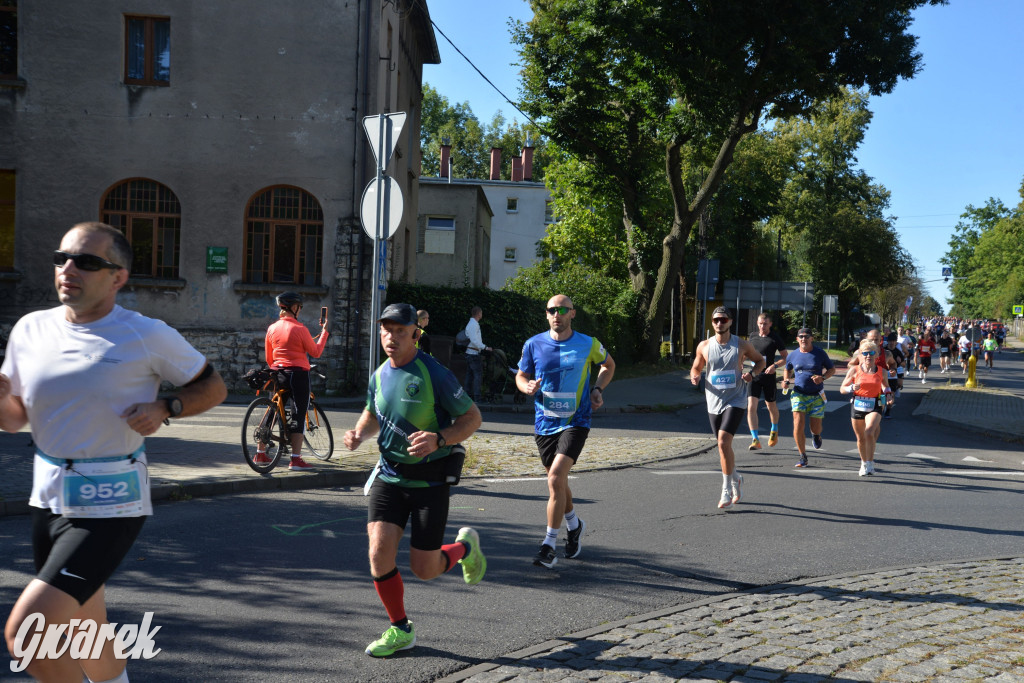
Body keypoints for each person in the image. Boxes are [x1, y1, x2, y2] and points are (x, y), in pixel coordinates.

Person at [1, 222, 227, 682]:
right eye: (61, 258)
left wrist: (168, 405)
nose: (68, 269)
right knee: (87, 625)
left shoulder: (145, 333)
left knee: (28, 634)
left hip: (112, 499)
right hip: (48, 498)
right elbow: (13, 418)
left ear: (117, 276)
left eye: (85, 262)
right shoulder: (30, 329)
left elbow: (213, 385)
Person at [343, 303, 486, 658]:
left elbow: (472, 417)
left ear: (415, 335)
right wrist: (360, 433)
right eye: (386, 330)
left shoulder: (433, 373)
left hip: (430, 483)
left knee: (425, 569)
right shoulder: (379, 375)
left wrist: (439, 438)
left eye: (400, 331)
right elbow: (373, 411)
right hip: (390, 476)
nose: (392, 337)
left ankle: (466, 549)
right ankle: (400, 628)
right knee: (378, 551)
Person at [516, 294, 615, 567]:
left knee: (555, 478)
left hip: (576, 420)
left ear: (572, 314)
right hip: (544, 423)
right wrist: (525, 386)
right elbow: (521, 374)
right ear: (546, 314)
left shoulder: (588, 343)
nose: (556, 314)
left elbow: (609, 365)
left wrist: (597, 389)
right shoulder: (533, 344)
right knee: (558, 482)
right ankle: (575, 525)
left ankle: (549, 545)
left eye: (562, 310)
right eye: (551, 310)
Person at [690, 306, 765, 509]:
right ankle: (736, 478)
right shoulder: (704, 346)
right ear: (712, 323)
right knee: (724, 446)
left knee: (723, 441)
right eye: (716, 320)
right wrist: (695, 376)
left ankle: (725, 490)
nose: (719, 323)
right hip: (713, 400)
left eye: (723, 320)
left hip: (736, 399)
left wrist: (752, 374)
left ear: (730, 322)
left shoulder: (741, 345)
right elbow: (696, 367)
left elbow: (760, 361)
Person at [262, 291, 329, 471]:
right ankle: (296, 459)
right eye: (299, 307)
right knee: (299, 412)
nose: (299, 310)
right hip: (298, 374)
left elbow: (269, 358)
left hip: (278, 372)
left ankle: (260, 453)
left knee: (273, 410)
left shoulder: (272, 328)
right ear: (294, 308)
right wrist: (324, 333)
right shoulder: (300, 329)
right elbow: (315, 352)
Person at [782, 328, 836, 468]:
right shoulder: (793, 355)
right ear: (797, 339)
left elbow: (832, 369)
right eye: (801, 336)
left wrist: (822, 377)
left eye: (806, 336)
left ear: (812, 338)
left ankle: (816, 435)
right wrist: (786, 380)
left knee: (815, 427)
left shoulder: (819, 353)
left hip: (817, 396)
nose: (804, 339)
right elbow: (787, 369)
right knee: (798, 423)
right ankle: (802, 455)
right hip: (799, 394)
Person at [840, 340, 894, 476]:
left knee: (869, 432)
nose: (868, 356)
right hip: (858, 404)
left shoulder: (882, 371)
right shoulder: (854, 370)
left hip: (875, 404)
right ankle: (864, 463)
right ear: (860, 355)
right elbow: (842, 389)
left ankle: (870, 463)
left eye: (871, 353)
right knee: (860, 438)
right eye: (865, 353)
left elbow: (885, 386)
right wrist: (851, 387)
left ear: (876, 355)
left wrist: (887, 396)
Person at [746, 313, 788, 450]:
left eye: (764, 324)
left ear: (770, 324)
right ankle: (755, 439)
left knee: (771, 406)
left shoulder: (775, 338)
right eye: (759, 323)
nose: (762, 326)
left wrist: (774, 366)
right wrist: (740, 364)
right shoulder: (752, 336)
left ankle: (774, 430)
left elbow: (785, 358)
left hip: (769, 377)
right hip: (754, 376)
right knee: (751, 407)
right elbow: (745, 353)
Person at [463, 306, 491, 403]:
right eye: (481, 313)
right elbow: (474, 340)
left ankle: (467, 396)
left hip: (471, 353)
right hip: (473, 353)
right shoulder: (473, 324)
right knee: (477, 375)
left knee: (470, 375)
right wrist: (485, 347)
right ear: (479, 314)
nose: (481, 315)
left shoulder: (473, 324)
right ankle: (477, 397)